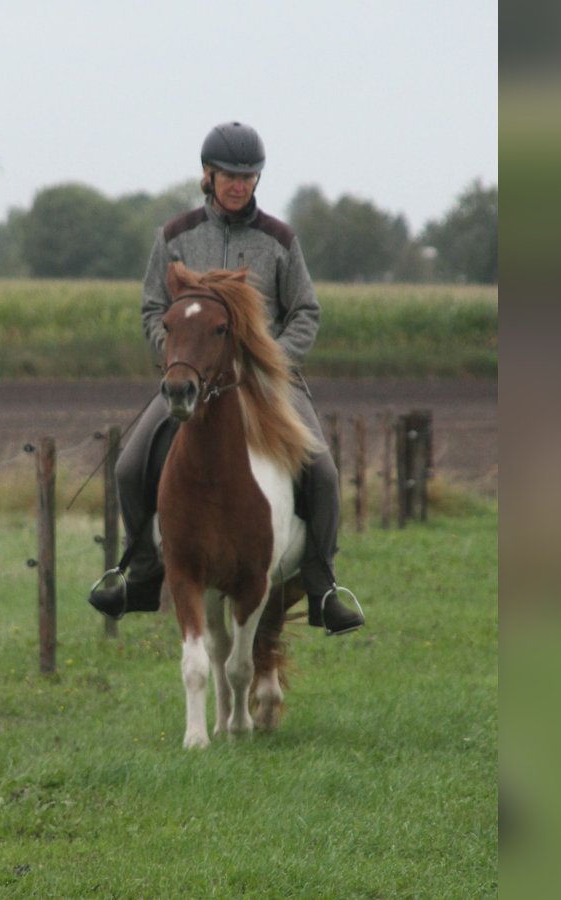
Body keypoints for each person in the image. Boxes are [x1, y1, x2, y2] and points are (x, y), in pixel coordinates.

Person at [88, 121, 364, 636]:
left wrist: (271, 361)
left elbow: (306, 310)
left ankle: (323, 585)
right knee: (127, 466)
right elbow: (152, 308)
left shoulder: (280, 240)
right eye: (230, 176)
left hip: (267, 382)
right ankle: (142, 573)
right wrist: (176, 356)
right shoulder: (175, 236)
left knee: (323, 472)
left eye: (248, 176)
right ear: (208, 175)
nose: (239, 185)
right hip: (191, 379)